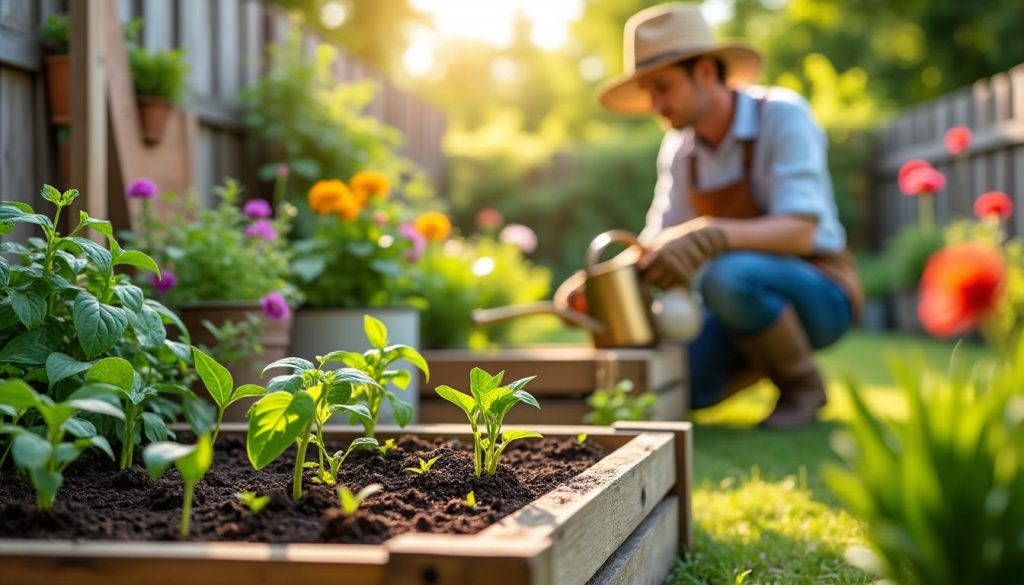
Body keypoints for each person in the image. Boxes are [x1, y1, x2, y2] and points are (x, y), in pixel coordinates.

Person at [561, 3, 862, 428]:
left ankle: (803, 387)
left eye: (662, 87)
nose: (655, 104)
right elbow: (657, 244)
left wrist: (712, 234)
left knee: (729, 276)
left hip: (822, 291)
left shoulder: (782, 116)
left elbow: (801, 232)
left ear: (704, 71)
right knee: (686, 385)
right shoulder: (681, 149)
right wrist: (604, 281)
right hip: (735, 298)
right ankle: (764, 350)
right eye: (648, 91)